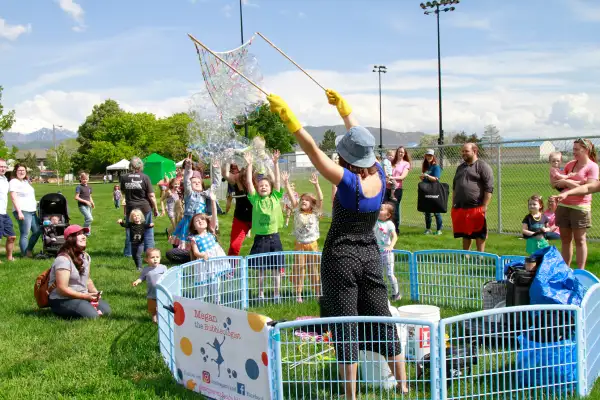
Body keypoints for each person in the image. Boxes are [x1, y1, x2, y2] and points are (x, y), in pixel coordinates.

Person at [268, 89, 408, 398]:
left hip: (340, 257)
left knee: (345, 325)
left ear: (346, 158)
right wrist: (345, 111)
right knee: (382, 317)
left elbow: (314, 153)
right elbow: (360, 138)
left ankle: (350, 396)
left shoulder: (348, 182)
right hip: (370, 254)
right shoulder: (381, 175)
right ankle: (403, 385)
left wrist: (290, 120)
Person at [244, 151, 284, 303]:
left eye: (266, 185)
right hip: (260, 239)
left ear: (270, 188)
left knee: (276, 268)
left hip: (274, 237)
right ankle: (260, 294)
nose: (263, 187)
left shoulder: (275, 197)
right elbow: (249, 183)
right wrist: (249, 165)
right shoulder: (255, 200)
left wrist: (275, 164)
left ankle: (276, 294)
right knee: (261, 269)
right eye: (261, 185)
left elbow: (278, 181)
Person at [552, 138, 598, 269]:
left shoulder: (592, 167)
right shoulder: (570, 165)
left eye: (577, 149)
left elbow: (588, 188)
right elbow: (557, 184)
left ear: (586, 150)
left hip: (580, 207)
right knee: (565, 240)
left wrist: (567, 184)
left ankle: (580, 271)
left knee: (580, 240)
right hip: (563, 205)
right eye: (573, 149)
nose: (574, 152)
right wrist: (563, 184)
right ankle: (566, 269)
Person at [47, 225, 111, 319]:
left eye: (84, 234)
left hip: (82, 296)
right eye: (79, 234)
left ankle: (85, 306)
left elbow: (87, 280)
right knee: (93, 316)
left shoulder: (85, 256)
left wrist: (95, 293)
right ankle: (60, 310)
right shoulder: (63, 259)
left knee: (107, 311)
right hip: (61, 299)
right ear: (70, 239)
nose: (84, 236)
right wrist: (85, 297)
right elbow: (62, 289)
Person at [282, 171, 323, 303]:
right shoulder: (297, 211)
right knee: (299, 269)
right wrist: (286, 183)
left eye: (307, 200)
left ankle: (317, 293)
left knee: (313, 269)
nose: (304, 201)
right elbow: (291, 197)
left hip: (312, 244)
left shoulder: (316, 213)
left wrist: (316, 185)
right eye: (303, 199)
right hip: (299, 244)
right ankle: (298, 294)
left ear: (312, 204)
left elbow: (321, 198)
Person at [451, 143, 494, 253]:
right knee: (465, 233)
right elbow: (455, 187)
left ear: (474, 151)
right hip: (461, 207)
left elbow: (489, 188)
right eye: (462, 151)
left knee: (479, 233)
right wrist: (453, 203)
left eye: (466, 151)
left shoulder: (482, 166)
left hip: (477, 206)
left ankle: (481, 256)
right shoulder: (460, 167)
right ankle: (466, 255)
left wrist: (484, 206)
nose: (463, 153)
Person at [171, 158, 221, 249]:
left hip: (201, 222)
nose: (197, 183)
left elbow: (216, 184)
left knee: (200, 243)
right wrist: (188, 168)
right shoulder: (189, 194)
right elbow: (186, 181)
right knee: (189, 244)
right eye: (194, 182)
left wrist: (216, 169)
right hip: (190, 222)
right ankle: (188, 258)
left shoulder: (205, 194)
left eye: (199, 182)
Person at [188, 192, 229, 304]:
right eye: (197, 220)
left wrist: (212, 201)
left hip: (214, 263)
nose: (200, 221)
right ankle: (199, 305)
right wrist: (202, 255)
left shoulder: (211, 230)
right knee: (202, 286)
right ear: (194, 227)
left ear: (207, 222)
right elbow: (195, 252)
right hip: (203, 263)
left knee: (216, 284)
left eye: (202, 219)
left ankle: (217, 304)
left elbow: (214, 215)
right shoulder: (194, 238)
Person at [120, 157, 159, 253]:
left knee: (130, 230)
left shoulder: (124, 178)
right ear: (140, 166)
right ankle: (149, 251)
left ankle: (129, 253)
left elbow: (123, 191)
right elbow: (151, 195)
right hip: (145, 207)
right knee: (148, 230)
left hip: (131, 208)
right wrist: (156, 209)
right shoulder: (145, 177)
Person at [9, 163, 41, 257]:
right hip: (22, 210)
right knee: (25, 233)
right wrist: (19, 212)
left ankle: (28, 250)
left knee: (37, 230)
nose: (22, 172)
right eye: (19, 170)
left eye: (23, 170)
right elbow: (13, 196)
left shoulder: (25, 182)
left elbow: (29, 196)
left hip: (31, 210)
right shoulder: (14, 182)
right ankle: (25, 255)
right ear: (16, 171)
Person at [222, 163, 253, 256]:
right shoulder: (235, 179)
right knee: (234, 247)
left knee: (264, 246)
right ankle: (231, 269)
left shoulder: (254, 182)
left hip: (257, 218)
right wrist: (226, 160)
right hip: (241, 218)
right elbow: (225, 174)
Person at [132, 248, 167, 323]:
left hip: (162, 292)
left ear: (160, 258)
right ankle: (154, 318)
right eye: (152, 257)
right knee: (152, 308)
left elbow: (167, 277)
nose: (155, 259)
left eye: (157, 257)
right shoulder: (146, 269)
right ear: (147, 260)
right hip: (151, 293)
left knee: (162, 306)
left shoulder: (163, 268)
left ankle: (162, 319)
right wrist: (137, 281)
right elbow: (142, 277)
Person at [375, 203, 401, 301]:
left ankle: (396, 294)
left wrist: (390, 247)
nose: (379, 210)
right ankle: (380, 294)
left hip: (387, 252)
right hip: (377, 251)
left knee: (390, 274)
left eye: (381, 209)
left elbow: (395, 236)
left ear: (388, 215)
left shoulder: (389, 224)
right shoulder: (374, 221)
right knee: (378, 273)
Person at [390, 146, 412, 234]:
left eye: (402, 152)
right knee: (386, 208)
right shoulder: (391, 162)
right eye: (399, 151)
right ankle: (387, 229)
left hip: (397, 189)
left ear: (404, 154)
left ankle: (396, 230)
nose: (400, 153)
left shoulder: (406, 164)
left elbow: (402, 177)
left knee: (395, 209)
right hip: (388, 188)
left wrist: (392, 177)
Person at [421, 149, 443, 235]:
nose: (429, 157)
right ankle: (428, 229)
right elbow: (426, 177)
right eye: (427, 155)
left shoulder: (436, 167)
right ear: (425, 156)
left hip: (434, 190)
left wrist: (427, 175)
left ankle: (439, 230)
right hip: (426, 190)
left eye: (430, 155)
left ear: (433, 156)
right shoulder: (426, 166)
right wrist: (423, 177)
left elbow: (436, 179)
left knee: (436, 211)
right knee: (427, 211)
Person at [0, 159, 15, 261]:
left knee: (12, 236)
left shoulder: (5, 179)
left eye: (4, 166)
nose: (3, 168)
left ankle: (9, 258)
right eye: (0, 166)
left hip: (4, 213)